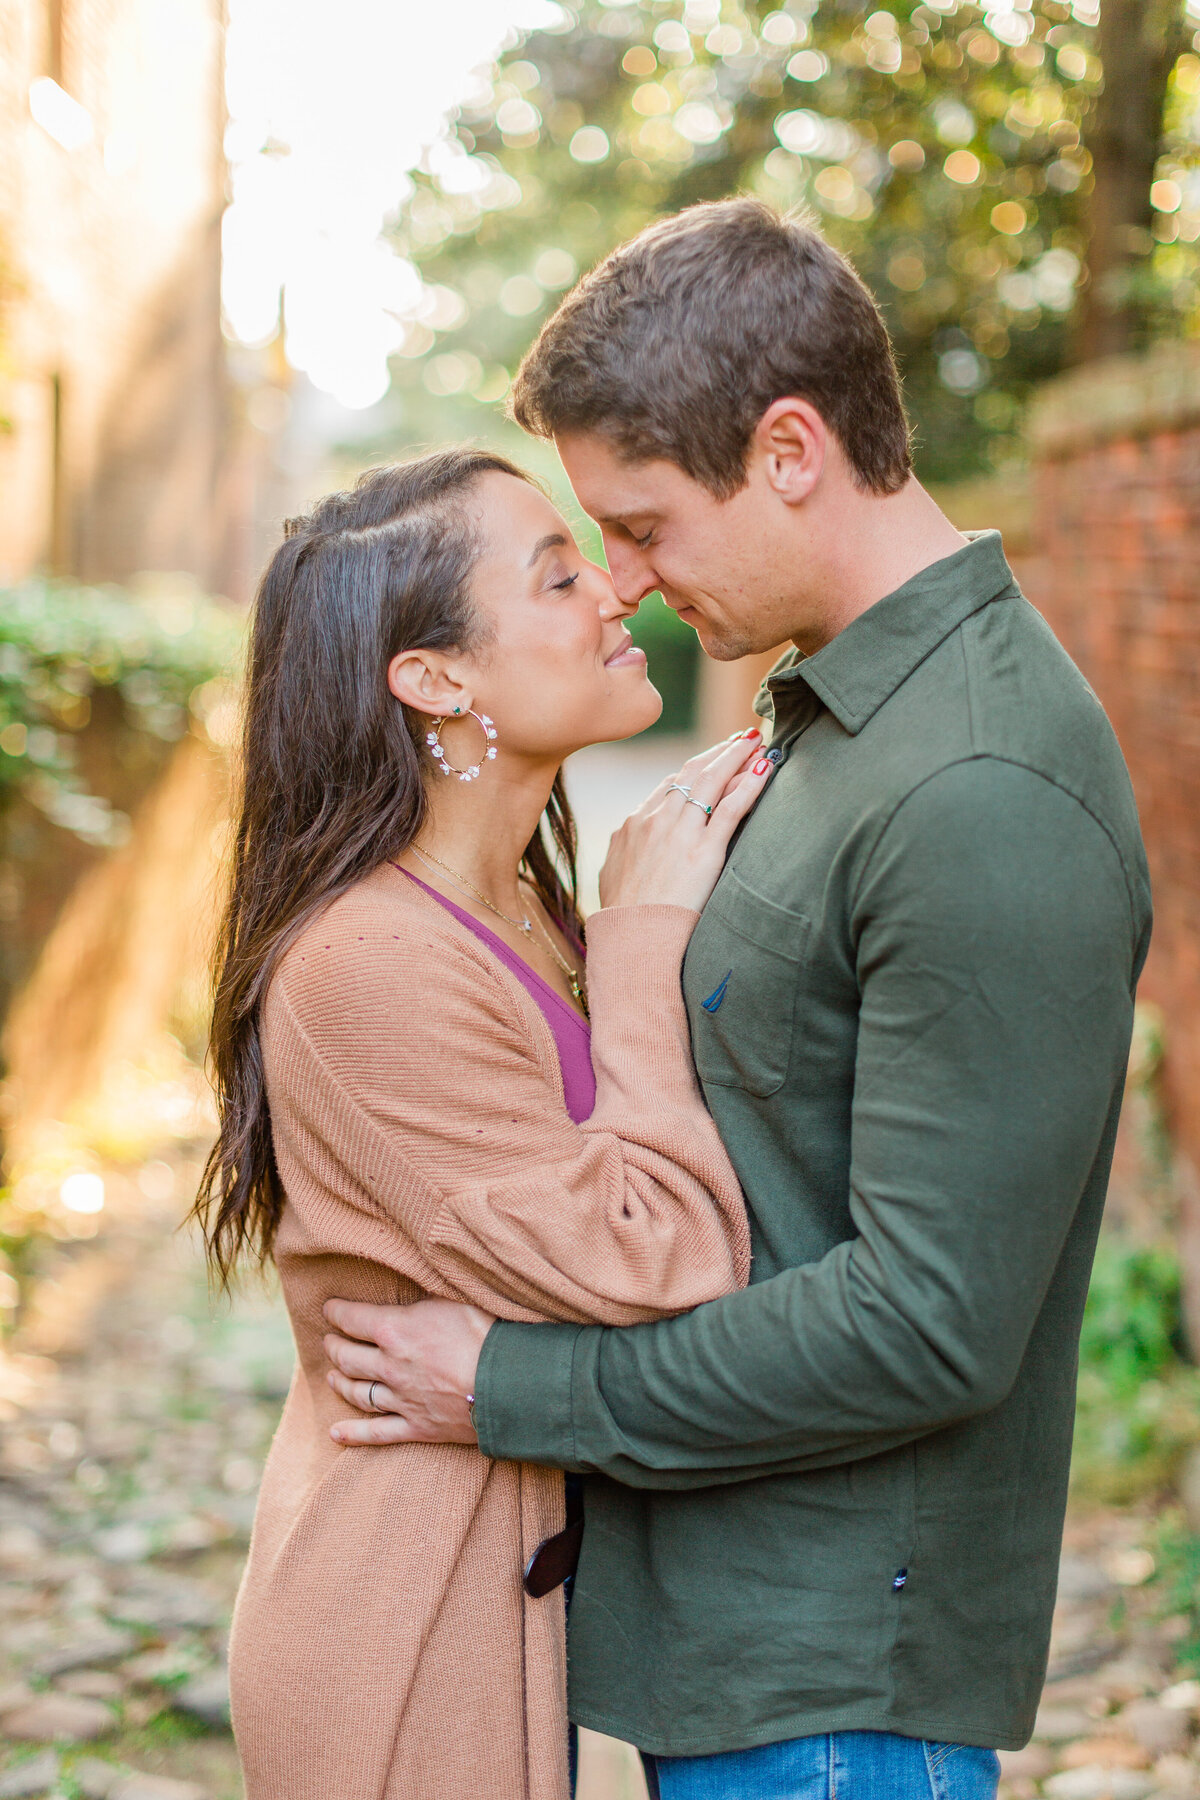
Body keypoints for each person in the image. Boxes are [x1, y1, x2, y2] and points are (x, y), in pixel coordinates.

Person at [322, 200, 1153, 1800]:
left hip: (838, 1691)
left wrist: (507, 1385)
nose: (621, 583)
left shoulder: (978, 782)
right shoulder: (832, 715)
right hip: (733, 1660)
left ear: (788, 450)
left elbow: (925, 1325)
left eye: (638, 526)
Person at [193, 445, 773, 1800]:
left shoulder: (520, 906)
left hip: (510, 1591)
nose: (615, 592)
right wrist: (641, 951)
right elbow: (661, 1253)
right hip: (403, 1624)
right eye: (559, 575)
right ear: (435, 678)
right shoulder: (370, 963)